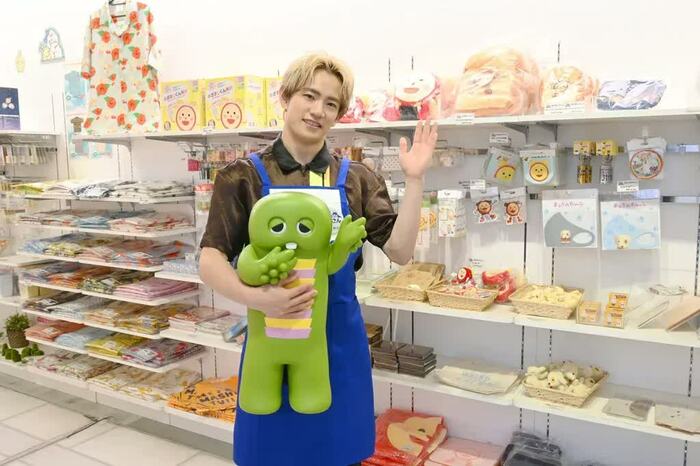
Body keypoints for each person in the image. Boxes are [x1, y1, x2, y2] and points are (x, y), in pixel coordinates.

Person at [199, 51, 438, 466]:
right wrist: (256, 298)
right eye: (309, 96)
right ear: (285, 97)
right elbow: (210, 258)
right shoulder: (243, 176)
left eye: (331, 103)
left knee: (338, 453)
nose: (318, 110)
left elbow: (400, 251)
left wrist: (415, 179)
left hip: (339, 344)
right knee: (270, 453)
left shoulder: (358, 178)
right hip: (272, 338)